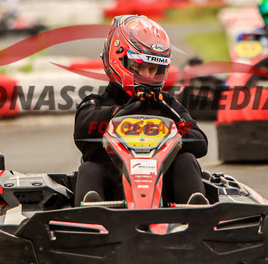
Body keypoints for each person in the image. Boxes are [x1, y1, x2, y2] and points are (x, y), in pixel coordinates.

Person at [73, 15, 209, 206]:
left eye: (153, 69)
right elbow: (82, 132)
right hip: (113, 193)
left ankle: (195, 208)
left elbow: (200, 142)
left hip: (163, 192)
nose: (147, 76)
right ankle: (89, 213)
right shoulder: (99, 103)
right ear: (118, 59)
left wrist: (173, 124)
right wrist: (124, 111)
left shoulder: (166, 104)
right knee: (89, 169)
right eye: (139, 67)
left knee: (186, 160)